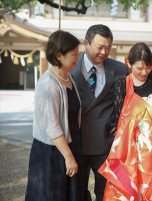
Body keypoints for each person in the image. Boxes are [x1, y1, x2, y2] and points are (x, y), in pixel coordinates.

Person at [98, 42, 152, 200]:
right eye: (139, 68)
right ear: (129, 64)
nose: (144, 72)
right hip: (132, 153)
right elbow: (120, 121)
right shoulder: (122, 85)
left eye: (148, 67)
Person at [69, 24, 129, 201]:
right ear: (86, 43)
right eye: (99, 46)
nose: (104, 52)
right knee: (77, 192)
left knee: (106, 192)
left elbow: (128, 102)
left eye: (108, 48)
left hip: (105, 142)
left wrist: (120, 124)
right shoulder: (70, 68)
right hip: (76, 141)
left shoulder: (119, 69)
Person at [25, 30, 85, 200]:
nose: (77, 58)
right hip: (53, 151)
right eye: (74, 54)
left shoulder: (68, 77)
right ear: (59, 55)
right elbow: (52, 126)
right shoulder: (48, 84)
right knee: (53, 193)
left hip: (70, 145)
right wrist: (69, 157)